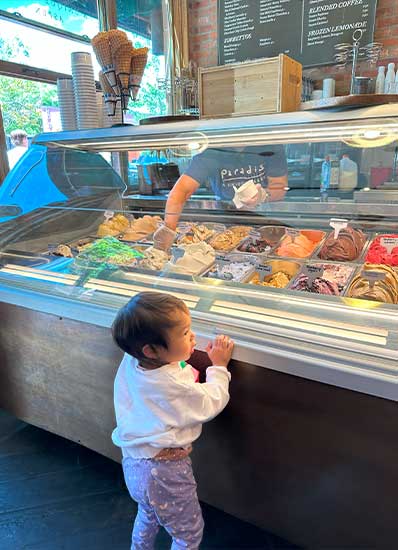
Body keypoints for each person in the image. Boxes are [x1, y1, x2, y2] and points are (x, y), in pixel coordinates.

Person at [111, 291, 234, 549]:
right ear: (152, 350)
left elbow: (168, 358)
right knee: (188, 534)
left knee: (148, 514)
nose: (193, 337)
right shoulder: (169, 385)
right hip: (165, 472)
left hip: (134, 463)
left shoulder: (134, 361)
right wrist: (219, 367)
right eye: (185, 332)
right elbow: (211, 400)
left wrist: (179, 347)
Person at [153, 144, 288, 251]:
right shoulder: (211, 151)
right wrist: (168, 228)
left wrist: (263, 195)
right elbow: (181, 191)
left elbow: (279, 188)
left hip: (265, 222)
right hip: (227, 222)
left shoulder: (270, 145)